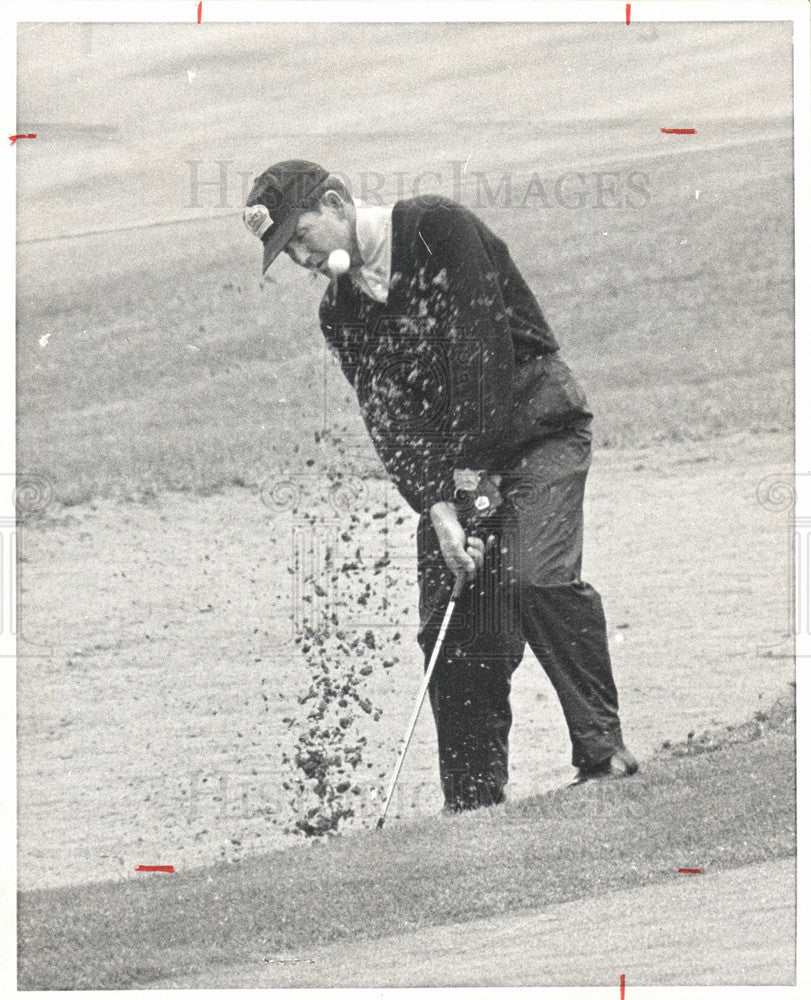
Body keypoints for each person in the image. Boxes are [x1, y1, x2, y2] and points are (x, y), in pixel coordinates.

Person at [243, 160, 637, 812]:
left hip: (539, 432)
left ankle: (603, 754)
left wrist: (469, 500)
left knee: (533, 578)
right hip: (460, 472)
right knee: (449, 628)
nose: (300, 258)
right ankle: (472, 805)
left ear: (337, 202)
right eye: (285, 251)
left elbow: (479, 361)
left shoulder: (436, 228)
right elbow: (392, 423)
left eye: (300, 237)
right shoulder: (340, 312)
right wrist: (438, 507)